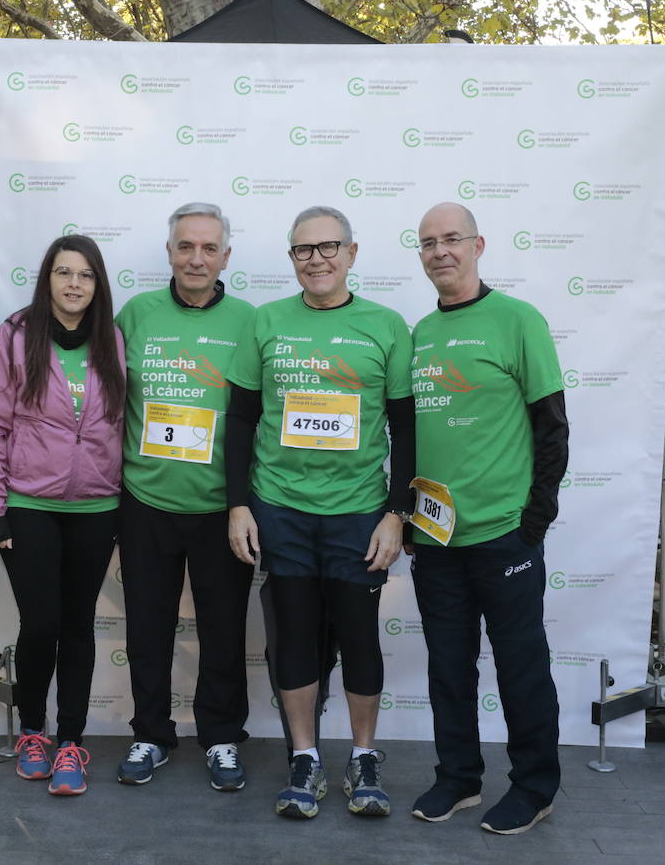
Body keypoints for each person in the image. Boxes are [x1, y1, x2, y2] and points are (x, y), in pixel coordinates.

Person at [225, 206, 414, 820]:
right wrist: (238, 505)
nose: (317, 259)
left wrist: (397, 514)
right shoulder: (267, 322)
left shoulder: (386, 326)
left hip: (359, 512)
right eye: (304, 250)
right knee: (296, 638)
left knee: (360, 638)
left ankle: (363, 756)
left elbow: (408, 430)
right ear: (292, 260)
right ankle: (304, 757)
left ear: (352, 254)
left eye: (329, 247)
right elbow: (242, 420)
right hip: (281, 510)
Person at [407, 202, 568, 836]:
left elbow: (552, 428)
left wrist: (534, 523)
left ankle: (534, 786)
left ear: (478, 246)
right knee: (448, 664)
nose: (440, 251)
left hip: (505, 534)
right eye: (428, 243)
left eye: (452, 240)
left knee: (520, 665)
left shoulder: (518, 320)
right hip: (437, 535)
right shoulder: (418, 333)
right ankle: (458, 777)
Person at [0, 234, 125, 797]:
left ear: (97, 282)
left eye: (85, 275)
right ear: (48, 278)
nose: (74, 284)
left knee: (78, 625)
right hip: (28, 505)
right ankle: (33, 732)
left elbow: (122, 427)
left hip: (96, 506)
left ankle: (70, 742)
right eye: (64, 272)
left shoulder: (112, 339)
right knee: (41, 625)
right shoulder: (13, 337)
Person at [113, 203, 256, 791]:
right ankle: (151, 733)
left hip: (223, 507)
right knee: (147, 626)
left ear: (226, 256)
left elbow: (260, 416)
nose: (196, 258)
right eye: (185, 246)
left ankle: (221, 737)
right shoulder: (135, 314)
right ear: (169, 251)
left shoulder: (251, 321)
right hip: (145, 500)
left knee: (224, 630)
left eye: (208, 248)